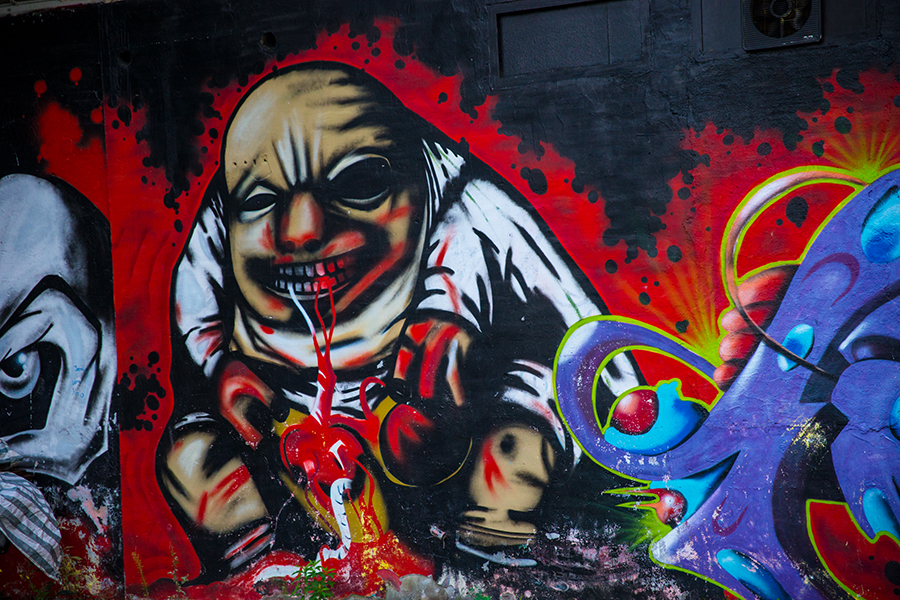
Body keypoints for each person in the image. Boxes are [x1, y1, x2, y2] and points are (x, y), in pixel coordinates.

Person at [160, 61, 639, 575]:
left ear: (420, 179)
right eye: (261, 200)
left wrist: (508, 395)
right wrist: (219, 366)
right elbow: (197, 309)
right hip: (294, 430)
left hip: (443, 441)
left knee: (513, 447)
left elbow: (600, 367)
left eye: (357, 182)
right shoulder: (214, 238)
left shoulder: (471, 211)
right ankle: (267, 569)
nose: (301, 230)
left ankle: (490, 561)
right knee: (193, 461)